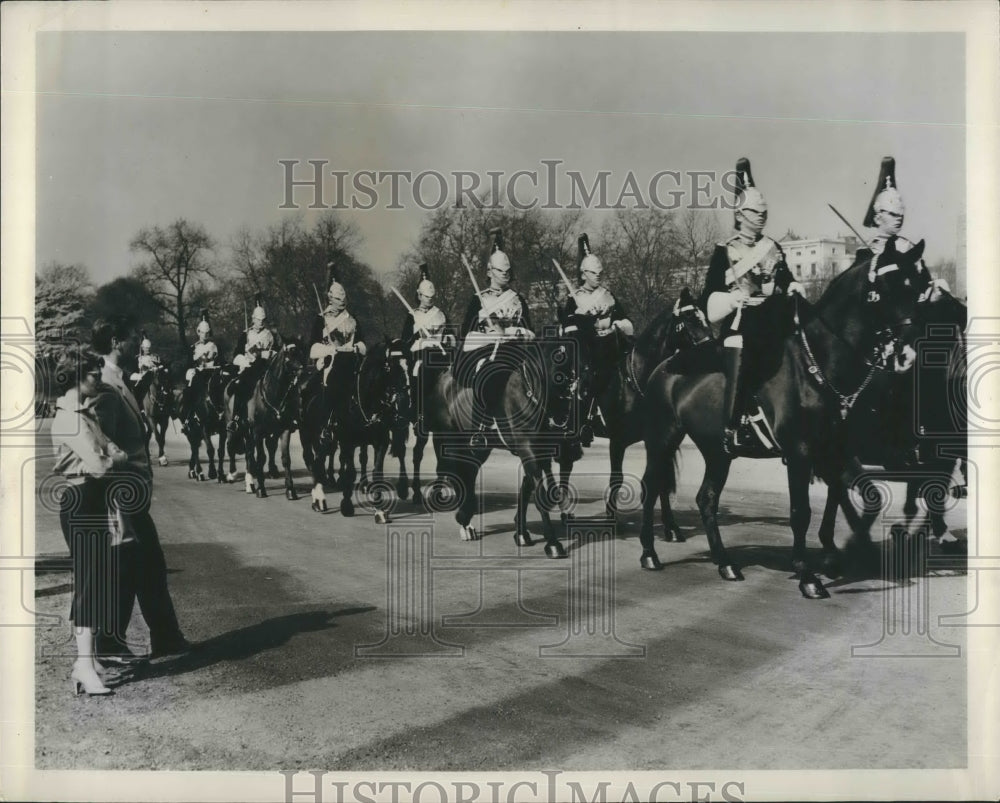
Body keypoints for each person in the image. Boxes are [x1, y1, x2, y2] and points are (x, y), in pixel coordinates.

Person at [91, 319, 190, 661]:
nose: (137, 346)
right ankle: (111, 640)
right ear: (117, 342)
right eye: (132, 340)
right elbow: (100, 443)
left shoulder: (119, 381)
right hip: (121, 496)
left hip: (132, 495)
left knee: (148, 566)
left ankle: (164, 637)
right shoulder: (106, 385)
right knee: (133, 567)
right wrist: (115, 504)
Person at [699, 157, 803, 456]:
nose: (761, 217)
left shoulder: (772, 247)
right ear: (740, 214)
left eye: (764, 212)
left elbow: (784, 278)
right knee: (742, 348)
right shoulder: (725, 251)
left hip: (773, 317)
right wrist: (731, 299)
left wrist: (793, 285)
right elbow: (710, 298)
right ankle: (735, 424)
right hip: (741, 321)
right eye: (755, 212)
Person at [51, 347, 129, 695]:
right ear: (78, 376)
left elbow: (115, 451)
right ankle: (83, 665)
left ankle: (90, 658)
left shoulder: (85, 413)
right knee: (88, 582)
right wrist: (109, 459)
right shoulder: (70, 417)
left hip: (93, 498)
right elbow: (102, 463)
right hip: (81, 499)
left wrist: (110, 458)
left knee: (97, 579)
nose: (100, 378)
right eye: (94, 373)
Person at [457, 228, 534, 448]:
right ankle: (481, 425)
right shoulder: (478, 299)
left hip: (517, 348)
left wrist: (517, 331)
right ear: (490, 272)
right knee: (487, 372)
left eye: (508, 271)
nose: (506, 275)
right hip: (488, 350)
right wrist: (486, 333)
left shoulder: (518, 299)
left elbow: (529, 327)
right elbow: (466, 332)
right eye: (501, 271)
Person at [560, 233, 634, 445]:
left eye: (600, 272)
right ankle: (586, 420)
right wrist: (587, 320)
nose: (598, 275)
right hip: (589, 347)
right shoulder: (575, 298)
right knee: (590, 374)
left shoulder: (608, 295)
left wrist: (617, 325)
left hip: (613, 343)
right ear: (584, 274)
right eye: (593, 272)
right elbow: (568, 327)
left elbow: (625, 319)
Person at [307, 264, 367, 443]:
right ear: (330, 299)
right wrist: (330, 349)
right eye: (338, 299)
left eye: (343, 299)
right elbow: (312, 348)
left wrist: (357, 347)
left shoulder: (352, 319)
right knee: (328, 384)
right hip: (330, 361)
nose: (341, 302)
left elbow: (363, 343)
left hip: (351, 360)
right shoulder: (321, 319)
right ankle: (326, 424)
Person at [399, 263, 454, 422]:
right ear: (420, 296)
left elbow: (450, 334)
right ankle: (418, 410)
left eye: (431, 297)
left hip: (441, 353)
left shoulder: (440, 314)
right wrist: (421, 342)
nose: (429, 300)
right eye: (426, 297)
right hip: (421, 355)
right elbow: (406, 341)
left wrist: (447, 340)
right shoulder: (412, 316)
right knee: (419, 371)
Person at [227, 295, 276, 435]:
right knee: (241, 385)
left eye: (263, 320)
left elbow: (276, 351)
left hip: (266, 367)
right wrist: (244, 361)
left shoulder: (269, 334)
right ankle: (236, 419)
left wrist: (271, 354)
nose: (261, 322)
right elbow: (237, 353)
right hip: (250, 368)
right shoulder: (246, 334)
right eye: (258, 319)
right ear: (253, 319)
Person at [178, 312, 220, 434]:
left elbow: (221, 360)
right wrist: (193, 368)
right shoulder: (193, 348)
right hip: (200, 374)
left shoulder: (214, 346)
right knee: (190, 392)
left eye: (207, 333)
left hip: (212, 372)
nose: (204, 335)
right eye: (202, 333)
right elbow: (189, 364)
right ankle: (188, 418)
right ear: (198, 332)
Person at [128, 331, 162, 406]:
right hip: (142, 377)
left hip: (154, 377)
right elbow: (133, 371)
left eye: (149, 348)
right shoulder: (137, 358)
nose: (148, 350)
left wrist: (157, 368)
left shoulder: (155, 356)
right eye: (146, 348)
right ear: (142, 348)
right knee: (137, 390)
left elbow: (161, 365)